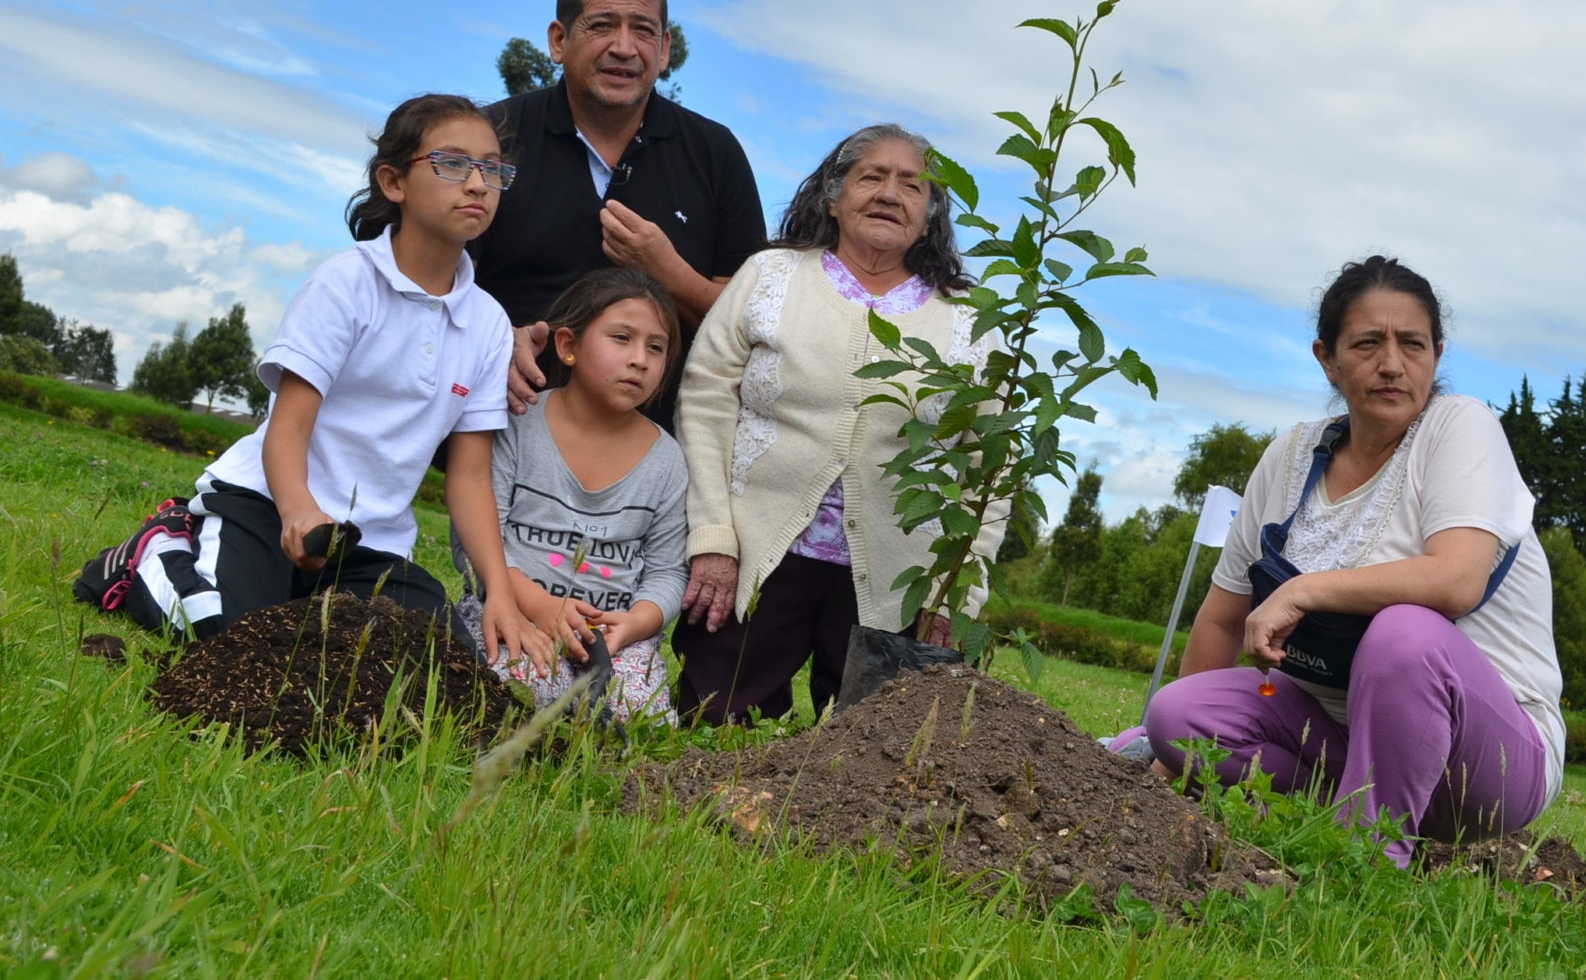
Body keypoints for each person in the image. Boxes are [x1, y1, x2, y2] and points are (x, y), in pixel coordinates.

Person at [77, 95, 546, 669]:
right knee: (229, 635)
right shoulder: (346, 283)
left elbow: (470, 477)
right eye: (452, 163)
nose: (478, 183)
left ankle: (302, 601)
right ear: (393, 182)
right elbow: (289, 425)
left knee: (427, 655)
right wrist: (298, 510)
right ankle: (156, 551)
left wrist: (498, 591)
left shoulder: (491, 325)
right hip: (269, 505)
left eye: (492, 168)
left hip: (367, 545)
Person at [1141, 256, 1564, 869]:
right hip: (1340, 747)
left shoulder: (1459, 429)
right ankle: (1337, 810)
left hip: (1485, 764)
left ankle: (1364, 860)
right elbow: (1221, 618)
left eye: (1412, 344)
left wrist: (1303, 590)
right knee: (1177, 714)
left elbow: (1455, 579)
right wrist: (1173, 759)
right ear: (1327, 359)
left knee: (1405, 632)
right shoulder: (1291, 456)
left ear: (1437, 355)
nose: (1392, 364)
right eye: (1367, 344)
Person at [673, 124, 1007, 724]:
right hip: (755, 550)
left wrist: (956, 592)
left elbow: (993, 466)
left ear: (930, 218)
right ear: (833, 196)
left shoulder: (970, 322)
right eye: (871, 176)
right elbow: (705, 401)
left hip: (899, 572)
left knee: (870, 756)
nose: (889, 192)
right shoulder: (769, 277)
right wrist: (714, 537)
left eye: (912, 184)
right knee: (711, 722)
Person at [475, 0, 767, 427]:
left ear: (666, 49)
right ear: (558, 40)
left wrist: (670, 273)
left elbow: (753, 321)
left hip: (660, 457)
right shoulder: (493, 137)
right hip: (497, 434)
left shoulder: (716, 154)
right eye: (602, 25)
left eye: (643, 31)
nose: (625, 48)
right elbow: (424, 279)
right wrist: (492, 335)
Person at [451, 267, 690, 725]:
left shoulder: (667, 461)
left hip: (613, 637)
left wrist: (633, 624)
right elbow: (479, 540)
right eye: (621, 338)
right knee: (514, 687)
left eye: (655, 348)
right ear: (568, 346)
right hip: (516, 611)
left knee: (639, 714)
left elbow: (666, 572)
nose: (639, 359)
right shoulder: (518, 423)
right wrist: (541, 607)